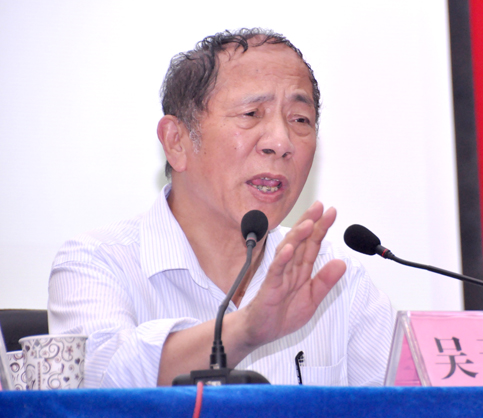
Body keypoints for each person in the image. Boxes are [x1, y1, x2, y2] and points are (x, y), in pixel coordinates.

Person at [48, 28, 394, 388]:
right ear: (176, 142)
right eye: (251, 113)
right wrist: (245, 329)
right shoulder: (98, 262)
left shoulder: (337, 280)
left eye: (300, 120)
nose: (281, 142)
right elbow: (98, 384)